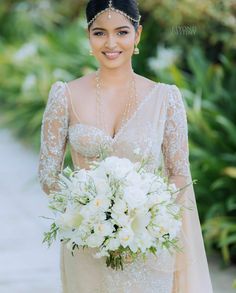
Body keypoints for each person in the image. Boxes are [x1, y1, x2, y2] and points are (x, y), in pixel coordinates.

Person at [38, 0, 213, 292]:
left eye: (121, 32)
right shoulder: (65, 95)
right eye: (99, 33)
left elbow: (179, 175)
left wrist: (147, 213)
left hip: (148, 243)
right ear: (88, 36)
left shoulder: (165, 99)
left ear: (138, 34)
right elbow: (48, 176)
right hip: (87, 242)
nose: (111, 43)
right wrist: (91, 211)